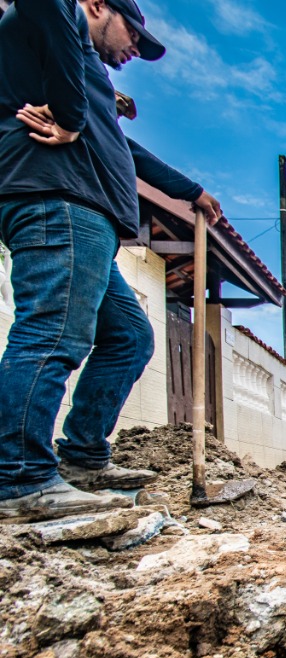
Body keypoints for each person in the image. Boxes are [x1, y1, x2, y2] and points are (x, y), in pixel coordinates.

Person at [0, 0, 222, 520]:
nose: (134, 52)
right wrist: (73, 113)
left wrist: (191, 190)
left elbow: (123, 149)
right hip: (58, 201)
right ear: (98, 5)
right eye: (134, 37)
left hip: (84, 217)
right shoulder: (59, 24)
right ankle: (20, 478)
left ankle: (82, 458)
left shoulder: (81, 74)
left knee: (130, 336)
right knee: (54, 332)